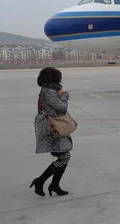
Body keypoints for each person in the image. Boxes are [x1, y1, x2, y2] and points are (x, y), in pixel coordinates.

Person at [31, 67, 72, 197]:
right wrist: (64, 96)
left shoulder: (47, 90)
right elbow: (62, 107)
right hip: (53, 128)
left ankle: (54, 185)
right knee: (64, 156)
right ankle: (41, 181)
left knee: (63, 156)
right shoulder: (49, 92)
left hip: (52, 126)